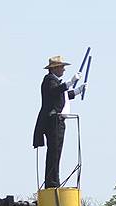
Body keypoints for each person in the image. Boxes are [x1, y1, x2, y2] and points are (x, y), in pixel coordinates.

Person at [32, 55, 87, 188]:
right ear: (55, 68)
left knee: (56, 153)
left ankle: (53, 181)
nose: (63, 69)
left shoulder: (53, 81)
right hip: (53, 121)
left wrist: (77, 91)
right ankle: (52, 183)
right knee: (54, 153)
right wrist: (70, 82)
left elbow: (62, 96)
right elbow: (56, 91)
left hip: (57, 121)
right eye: (62, 67)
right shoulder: (49, 80)